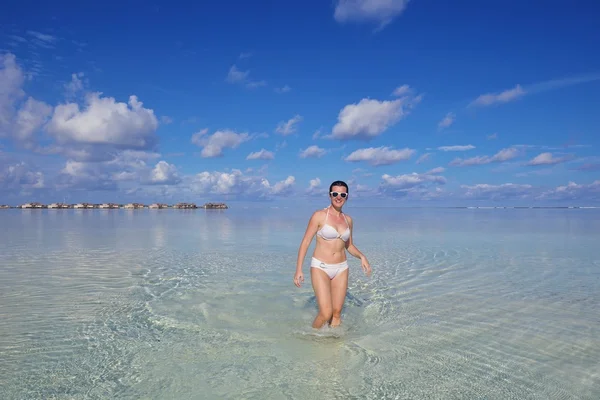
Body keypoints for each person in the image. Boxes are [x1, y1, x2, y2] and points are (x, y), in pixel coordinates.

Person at [294, 180, 371, 328]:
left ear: (347, 197)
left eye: (343, 194)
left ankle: (335, 346)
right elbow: (305, 242)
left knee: (336, 313)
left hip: (341, 268)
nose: (338, 197)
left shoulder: (348, 220)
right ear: (330, 195)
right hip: (320, 267)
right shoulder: (319, 216)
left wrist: (362, 256)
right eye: (335, 193)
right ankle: (310, 340)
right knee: (326, 313)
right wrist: (298, 270)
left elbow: (349, 245)